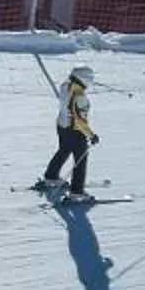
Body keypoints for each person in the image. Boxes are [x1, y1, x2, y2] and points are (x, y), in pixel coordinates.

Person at [40, 65, 99, 198]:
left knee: (64, 150)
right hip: (75, 131)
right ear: (84, 79)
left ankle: (51, 176)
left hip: (62, 126)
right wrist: (91, 135)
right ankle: (77, 191)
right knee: (81, 159)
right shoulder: (80, 97)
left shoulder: (65, 86)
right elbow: (80, 120)